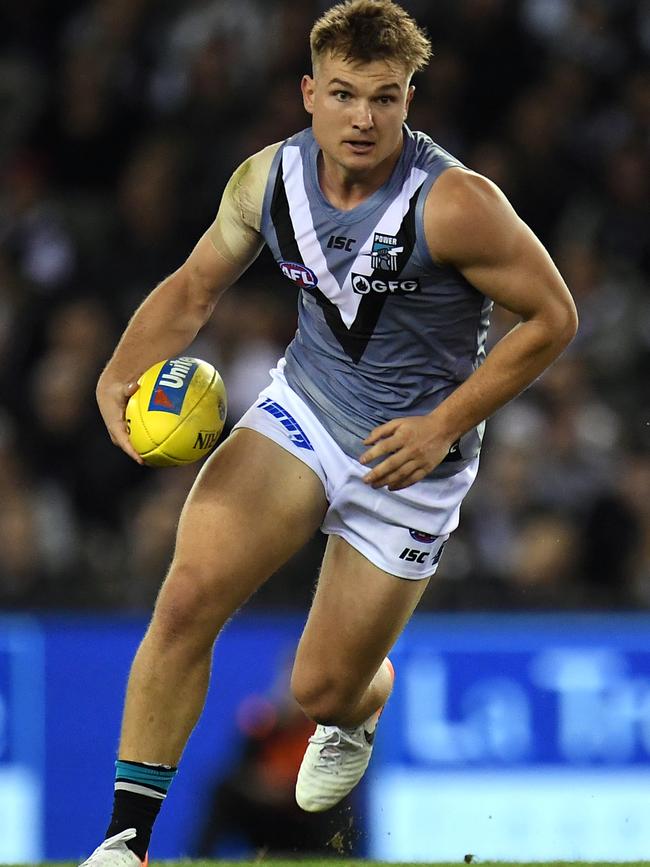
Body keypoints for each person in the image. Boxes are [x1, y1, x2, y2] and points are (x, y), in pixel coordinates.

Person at [81, 1, 578, 864]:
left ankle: (362, 699)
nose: (363, 118)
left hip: (414, 461)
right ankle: (126, 842)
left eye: (384, 98)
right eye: (344, 94)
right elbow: (196, 287)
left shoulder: (457, 203)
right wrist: (117, 371)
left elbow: (554, 317)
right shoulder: (266, 180)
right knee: (189, 595)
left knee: (321, 685)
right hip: (305, 409)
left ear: (409, 100)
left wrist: (443, 424)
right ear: (307, 92)